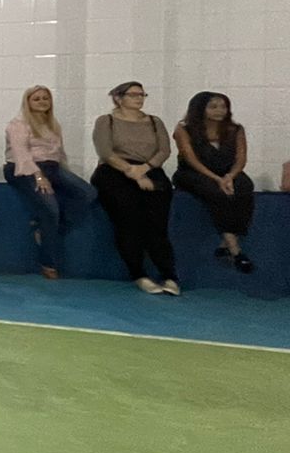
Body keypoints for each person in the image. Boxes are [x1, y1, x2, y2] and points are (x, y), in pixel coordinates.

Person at [92, 81, 179, 295]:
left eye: (142, 94)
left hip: (149, 168)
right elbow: (106, 152)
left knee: (157, 224)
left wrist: (145, 168)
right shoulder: (106, 121)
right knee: (129, 219)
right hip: (115, 170)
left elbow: (164, 150)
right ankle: (138, 273)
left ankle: (169, 275)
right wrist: (132, 171)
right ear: (118, 98)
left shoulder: (154, 122)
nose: (139, 98)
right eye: (133, 95)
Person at [3, 86, 95, 280]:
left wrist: (65, 175)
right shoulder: (18, 124)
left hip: (52, 166)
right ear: (28, 102)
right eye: (37, 99)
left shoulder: (53, 124)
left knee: (87, 193)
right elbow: (21, 154)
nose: (42, 101)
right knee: (50, 208)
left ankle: (44, 230)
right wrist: (38, 176)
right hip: (24, 168)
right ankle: (48, 263)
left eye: (46, 98)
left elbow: (59, 153)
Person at [173, 91, 255, 273]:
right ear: (200, 109)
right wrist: (217, 179)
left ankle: (225, 244)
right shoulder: (184, 129)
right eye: (213, 107)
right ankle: (235, 249)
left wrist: (230, 176)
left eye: (223, 106)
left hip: (227, 172)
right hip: (194, 173)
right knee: (216, 192)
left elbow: (241, 158)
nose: (220, 110)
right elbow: (191, 159)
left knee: (245, 186)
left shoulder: (235, 129)